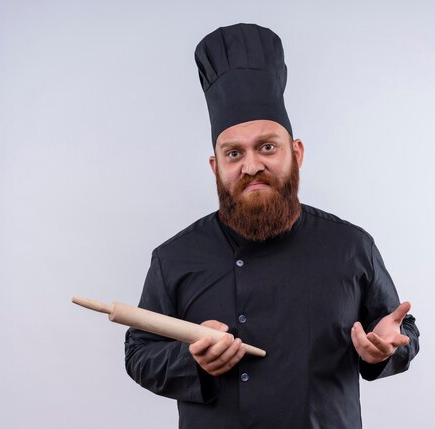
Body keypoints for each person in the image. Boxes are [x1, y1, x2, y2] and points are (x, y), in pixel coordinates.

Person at [125, 23, 420, 429]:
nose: (251, 166)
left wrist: (385, 350)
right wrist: (188, 359)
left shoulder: (351, 246)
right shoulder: (174, 257)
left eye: (267, 146)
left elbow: (399, 332)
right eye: (233, 153)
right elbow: (139, 352)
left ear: (295, 153)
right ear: (216, 167)